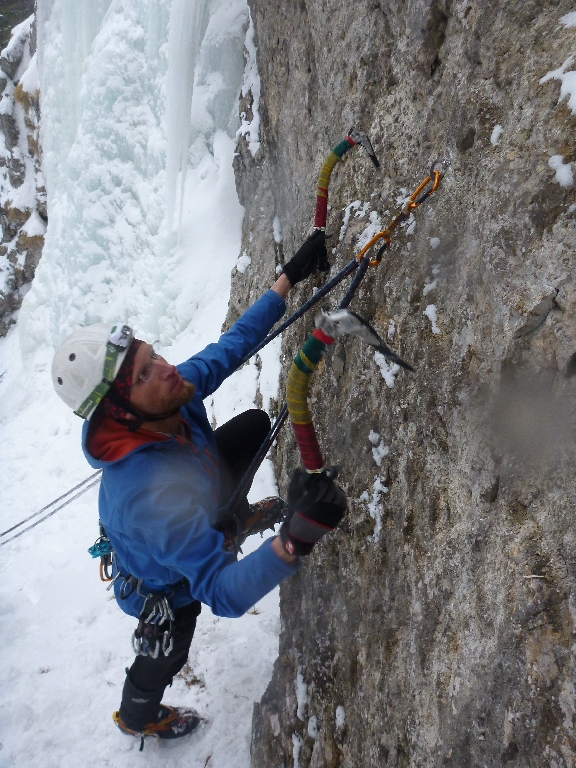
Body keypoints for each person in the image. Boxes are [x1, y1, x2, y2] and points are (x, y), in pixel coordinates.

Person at [51, 233, 347, 749]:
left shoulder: (168, 397)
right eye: (144, 373)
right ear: (119, 412)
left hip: (197, 490)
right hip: (165, 584)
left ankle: (232, 520)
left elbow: (231, 347)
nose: (166, 369)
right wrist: (296, 538)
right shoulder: (145, 496)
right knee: (168, 652)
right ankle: (138, 714)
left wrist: (288, 277)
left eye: (153, 355)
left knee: (253, 426)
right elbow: (221, 592)